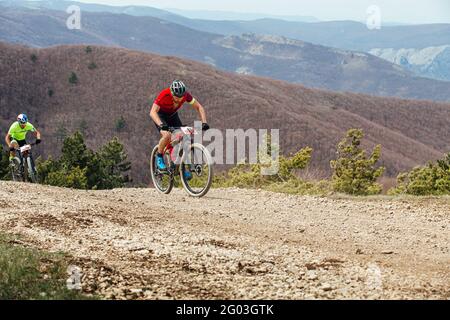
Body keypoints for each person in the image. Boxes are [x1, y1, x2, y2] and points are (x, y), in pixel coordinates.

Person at [149, 80, 209, 176]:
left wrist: (204, 122)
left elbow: (199, 107)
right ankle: (159, 157)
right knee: (167, 135)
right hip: (161, 116)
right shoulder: (164, 95)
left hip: (173, 116)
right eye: (176, 97)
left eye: (181, 98)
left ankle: (179, 167)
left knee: (185, 137)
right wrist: (161, 125)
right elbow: (152, 112)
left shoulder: (185, 96)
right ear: (171, 93)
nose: (179, 100)